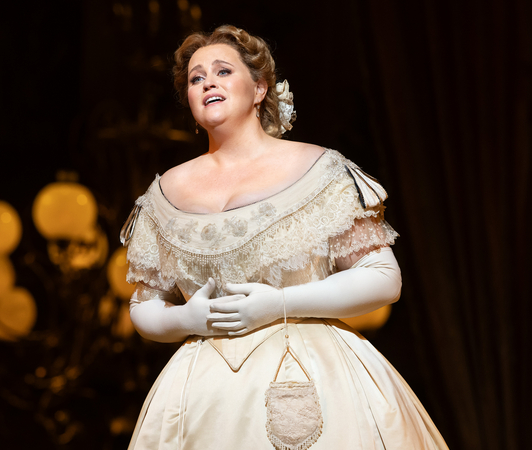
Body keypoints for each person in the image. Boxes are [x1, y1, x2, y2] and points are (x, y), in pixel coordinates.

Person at [121, 25, 448, 450]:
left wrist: (279, 304)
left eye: (222, 71)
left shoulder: (318, 170)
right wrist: (186, 320)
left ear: (259, 89)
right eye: (196, 78)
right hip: (204, 396)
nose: (208, 83)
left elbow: (383, 276)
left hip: (315, 377)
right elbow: (144, 303)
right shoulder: (164, 193)